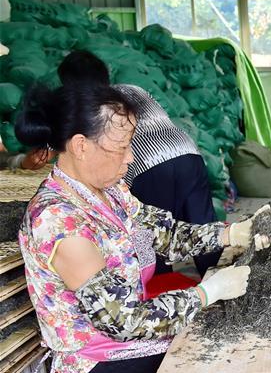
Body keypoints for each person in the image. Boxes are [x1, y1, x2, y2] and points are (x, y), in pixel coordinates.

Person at [16, 81, 271, 373]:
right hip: (99, 365)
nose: (130, 158)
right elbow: (122, 322)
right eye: (121, 147)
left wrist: (231, 233)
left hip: (132, 335)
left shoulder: (111, 192)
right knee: (232, 372)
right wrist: (206, 293)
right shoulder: (59, 220)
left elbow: (165, 234)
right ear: (81, 146)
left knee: (240, 346)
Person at [57, 50, 221, 277]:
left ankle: (160, 286)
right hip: (186, 152)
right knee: (201, 224)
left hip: (148, 167)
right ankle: (219, 279)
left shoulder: (88, 110)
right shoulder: (134, 90)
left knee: (153, 238)